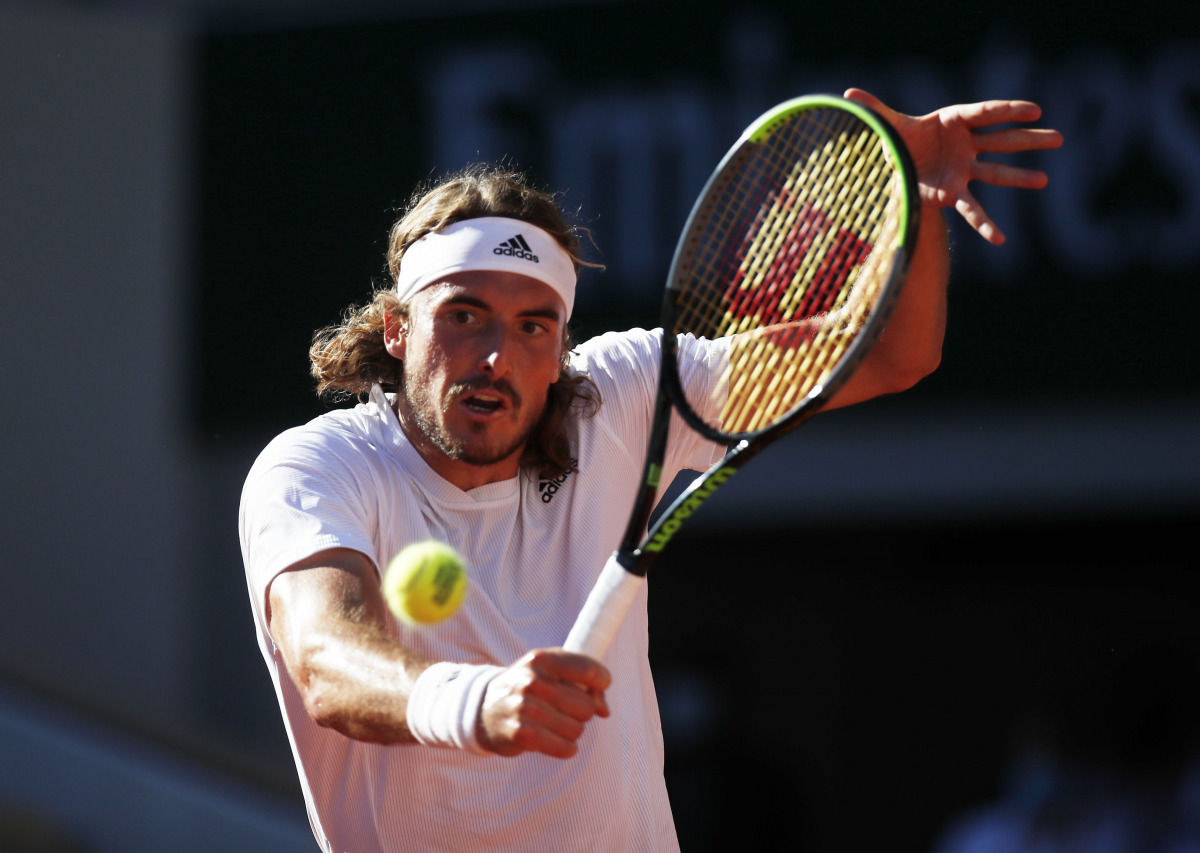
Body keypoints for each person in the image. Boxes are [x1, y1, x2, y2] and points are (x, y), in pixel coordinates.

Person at [239, 89, 1062, 852]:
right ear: (394, 327)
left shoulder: (625, 393)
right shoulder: (318, 467)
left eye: (534, 326)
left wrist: (911, 199)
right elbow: (325, 657)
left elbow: (891, 354)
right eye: (463, 315)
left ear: (562, 345)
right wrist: (478, 702)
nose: (497, 357)